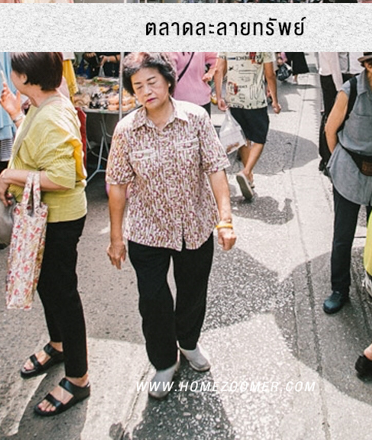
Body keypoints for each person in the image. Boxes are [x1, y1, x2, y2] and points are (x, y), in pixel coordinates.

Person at [106, 53, 236, 399]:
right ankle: (164, 360)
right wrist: (116, 237)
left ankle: (189, 342)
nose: (147, 91)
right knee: (152, 299)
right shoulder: (126, 130)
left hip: (194, 225)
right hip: (147, 230)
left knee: (193, 292)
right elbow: (117, 185)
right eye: (138, 86)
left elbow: (216, 168)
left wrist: (225, 219)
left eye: (152, 82)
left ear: (167, 80)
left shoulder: (195, 118)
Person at [0, 52, 89, 418]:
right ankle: (59, 344)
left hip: (58, 219)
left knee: (62, 292)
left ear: (24, 76)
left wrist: (9, 177)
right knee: (48, 286)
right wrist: (15, 114)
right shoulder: (43, 103)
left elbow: (63, 177)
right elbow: (37, 148)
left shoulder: (50, 114)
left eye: (14, 69)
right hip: (46, 217)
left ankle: (79, 378)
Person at [322, 52, 372, 376]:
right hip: (350, 169)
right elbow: (330, 129)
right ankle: (339, 288)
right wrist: (337, 162)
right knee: (343, 236)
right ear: (369, 66)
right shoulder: (349, 91)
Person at [214, 52, 281, 200]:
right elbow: (270, 75)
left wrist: (219, 96)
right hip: (255, 100)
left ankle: (249, 177)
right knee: (260, 137)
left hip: (234, 99)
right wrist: (275, 100)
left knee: (243, 137)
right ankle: (246, 171)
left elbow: (219, 69)